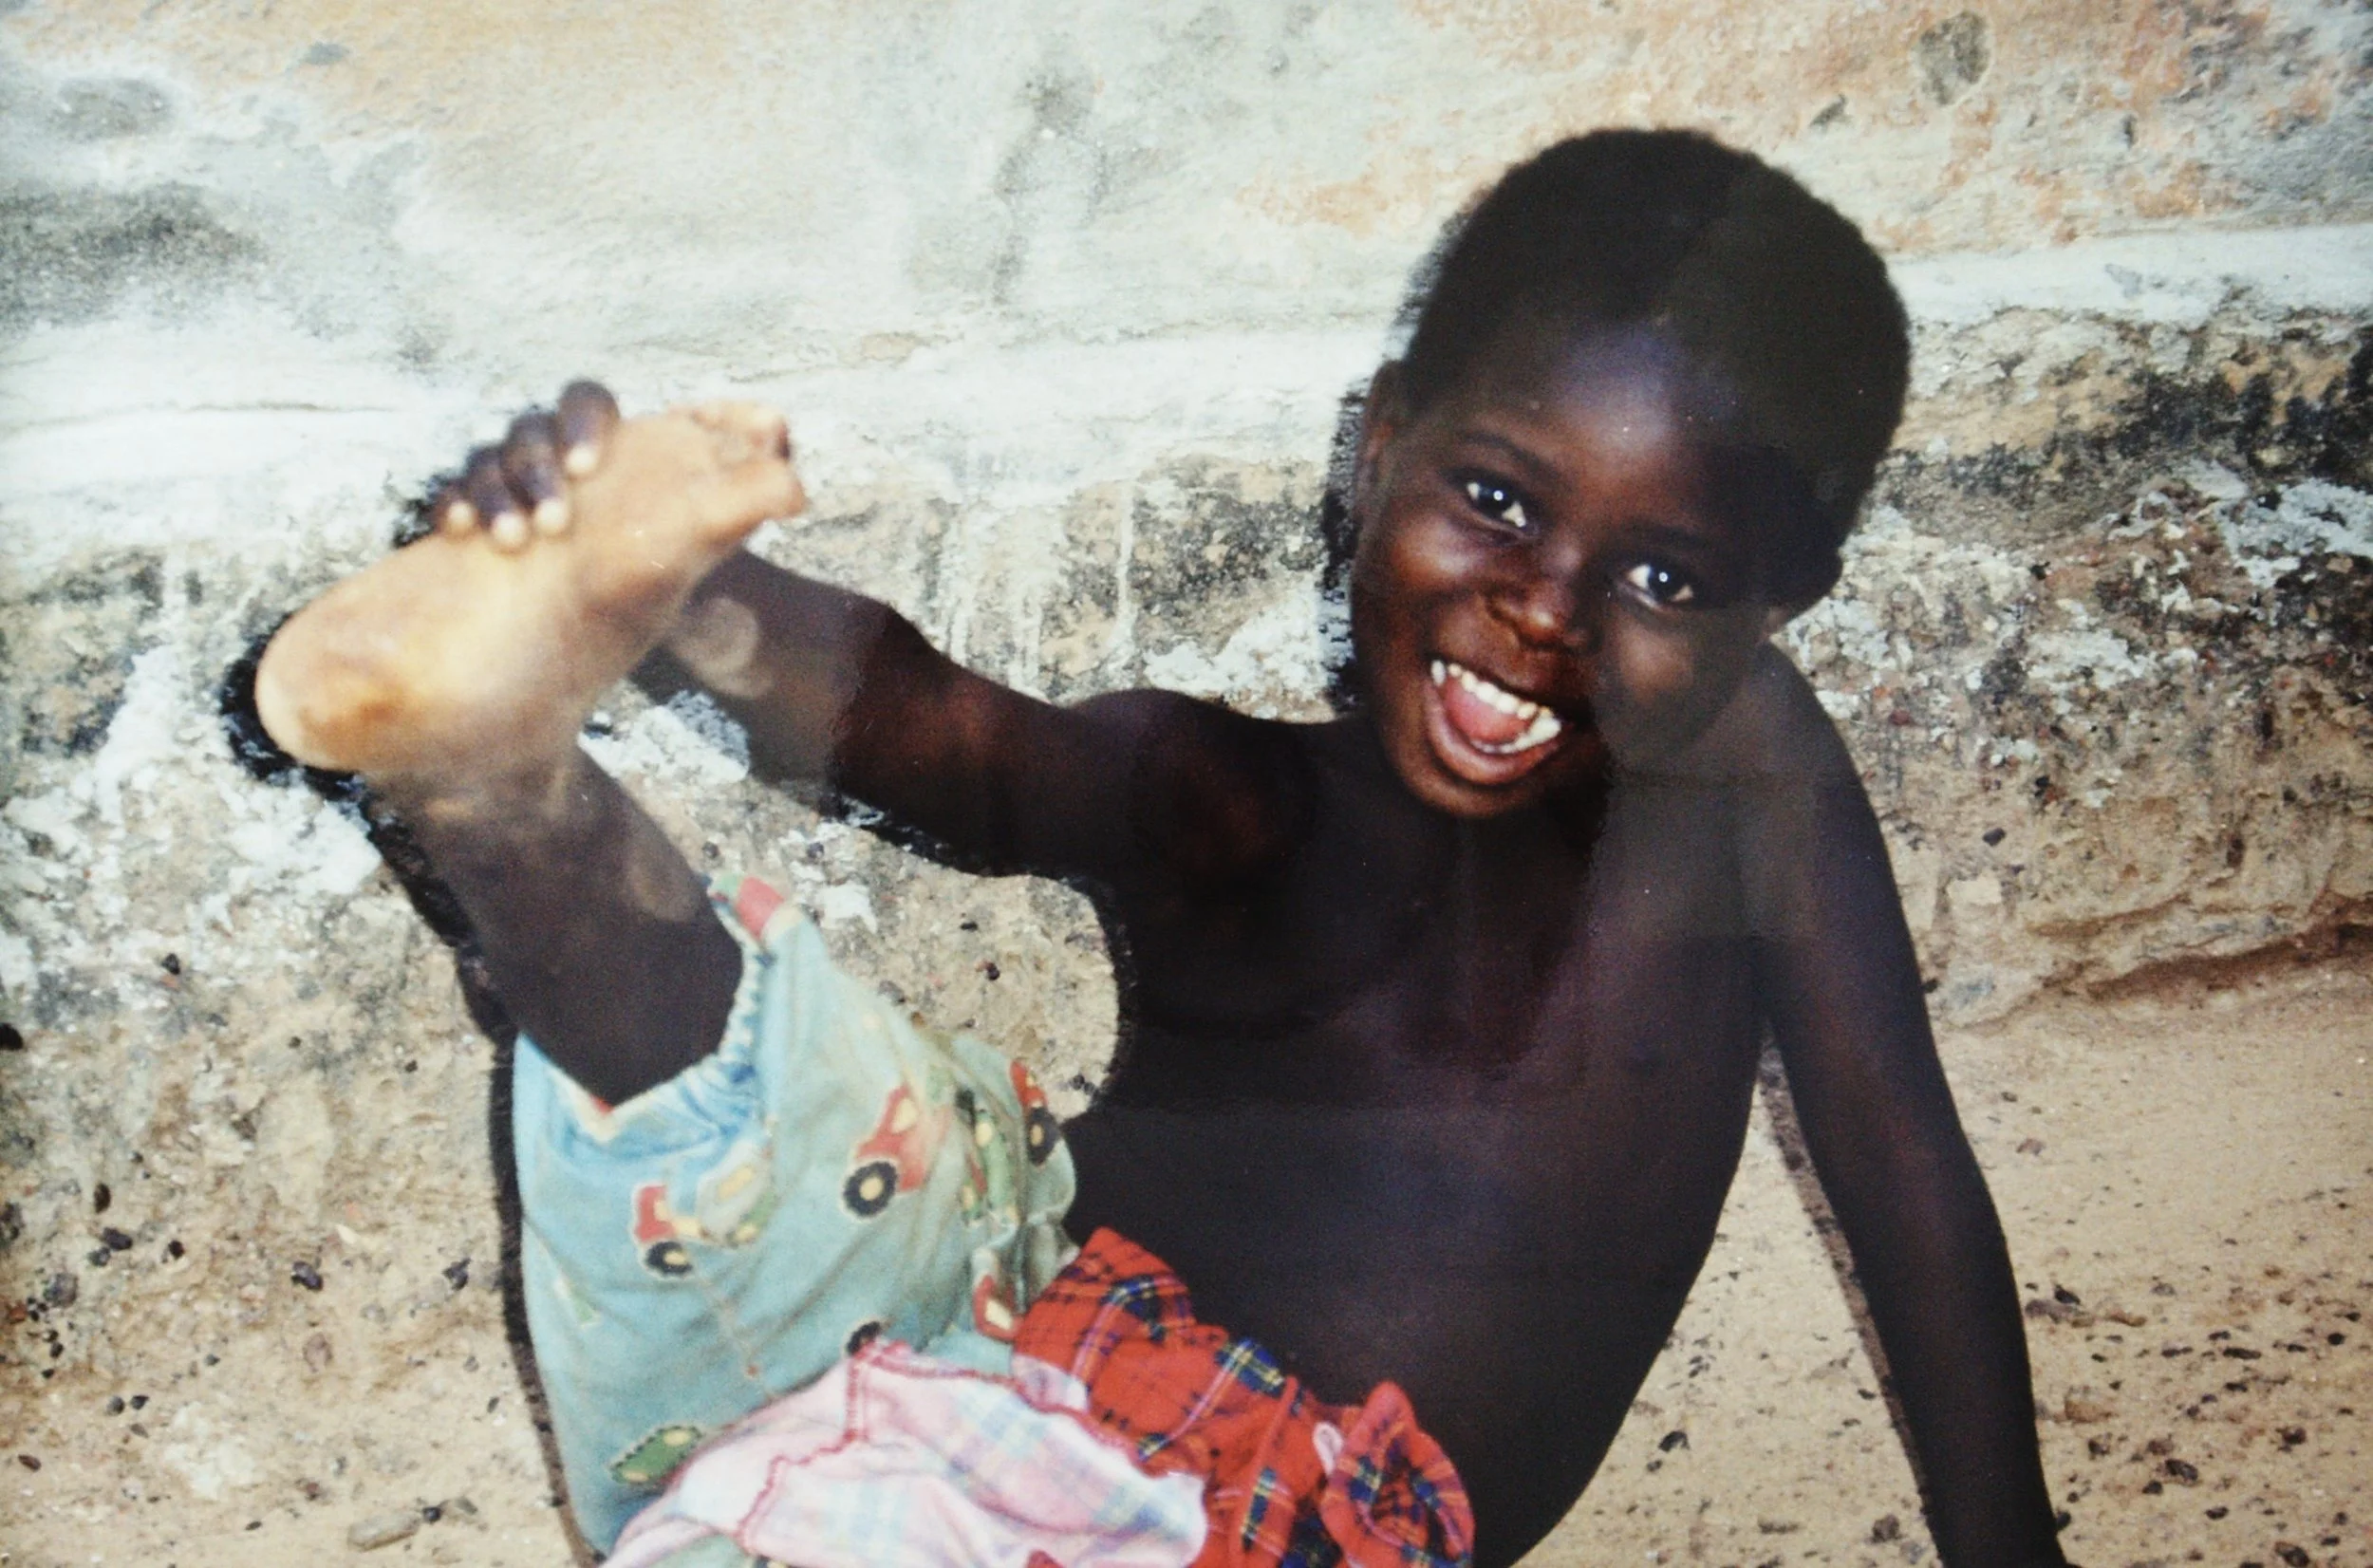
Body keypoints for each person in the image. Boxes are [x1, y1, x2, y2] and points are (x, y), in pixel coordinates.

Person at [249, 130, 2072, 1567]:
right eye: (1497, 499)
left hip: (1258, 1507)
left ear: (1773, 608)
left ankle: (508, 791)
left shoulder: (1733, 777)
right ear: (1378, 451)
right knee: (763, 1071)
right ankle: (500, 774)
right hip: (962, 1289)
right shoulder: (1225, 797)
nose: (1546, 607)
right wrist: (665, 585)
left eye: (1663, 576)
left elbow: (1901, 1162)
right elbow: (933, 731)